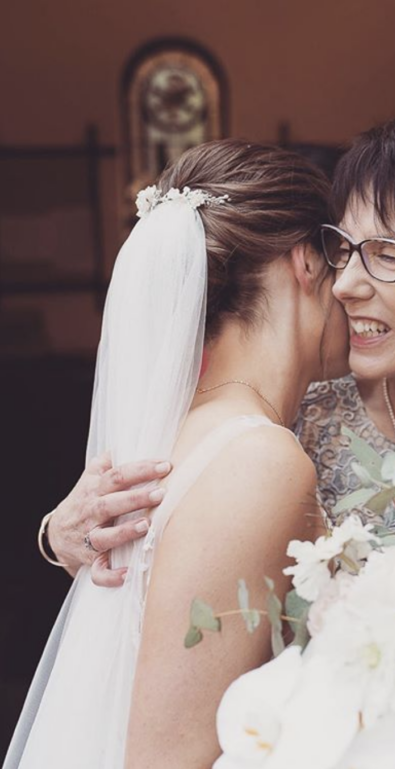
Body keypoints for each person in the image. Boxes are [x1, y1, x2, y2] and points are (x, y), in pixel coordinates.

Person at [43, 112, 395, 582]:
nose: (345, 283)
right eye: (344, 247)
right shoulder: (296, 425)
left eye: (388, 253)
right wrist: (58, 532)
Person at [6, 139, 348, 768]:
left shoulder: (186, 434)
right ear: (307, 259)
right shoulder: (258, 461)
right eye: (344, 255)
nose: (353, 285)